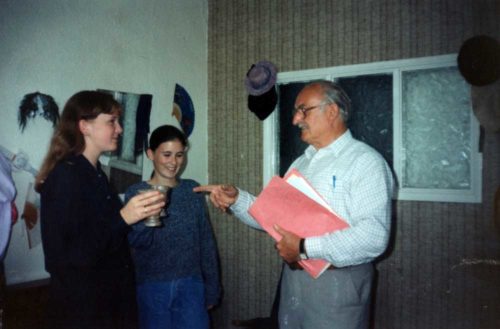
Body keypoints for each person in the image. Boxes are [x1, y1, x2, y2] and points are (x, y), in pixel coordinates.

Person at [194, 81, 394, 329]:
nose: (295, 119)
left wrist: (303, 246)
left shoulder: (365, 162)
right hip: (294, 281)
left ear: (331, 111)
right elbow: (275, 220)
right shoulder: (301, 163)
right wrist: (237, 199)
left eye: (303, 110)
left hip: (338, 285)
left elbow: (373, 237)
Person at [35, 91, 166, 329]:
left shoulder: (95, 174)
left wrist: (140, 216)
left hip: (110, 303)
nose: (120, 129)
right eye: (111, 121)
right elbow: (67, 257)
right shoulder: (66, 176)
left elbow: (107, 239)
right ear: (84, 126)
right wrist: (124, 217)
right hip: (85, 310)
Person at [125, 125, 221, 329]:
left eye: (179, 155)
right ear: (151, 154)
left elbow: (206, 241)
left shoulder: (191, 189)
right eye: (166, 154)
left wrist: (212, 287)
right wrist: (150, 217)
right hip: (152, 287)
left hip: (191, 285)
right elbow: (135, 243)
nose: (173, 162)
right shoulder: (136, 192)